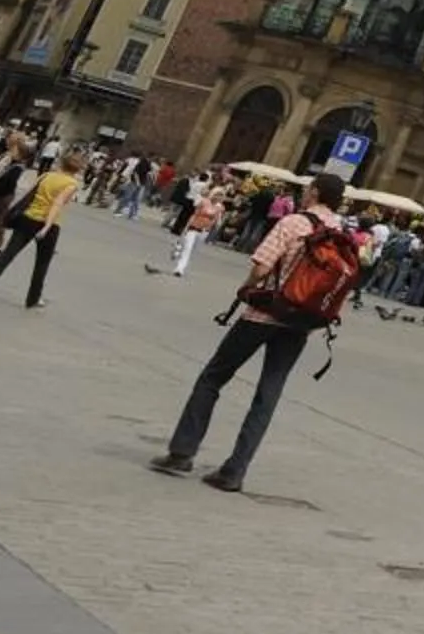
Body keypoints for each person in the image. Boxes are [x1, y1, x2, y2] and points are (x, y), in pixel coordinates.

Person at [150, 173, 359, 491]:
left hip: (263, 314)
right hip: (300, 322)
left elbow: (262, 266)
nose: (304, 195)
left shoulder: (293, 223)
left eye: (307, 190)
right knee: (268, 394)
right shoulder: (340, 231)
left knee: (213, 377)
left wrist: (246, 288)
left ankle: (181, 453)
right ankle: (234, 472)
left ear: (315, 192)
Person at [0, 146, 82, 307]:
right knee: (42, 263)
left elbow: (29, 195)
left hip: (28, 218)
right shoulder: (71, 183)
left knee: (7, 255)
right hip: (49, 224)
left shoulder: (46, 175)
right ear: (78, 169)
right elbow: (57, 204)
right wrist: (46, 227)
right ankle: (33, 298)